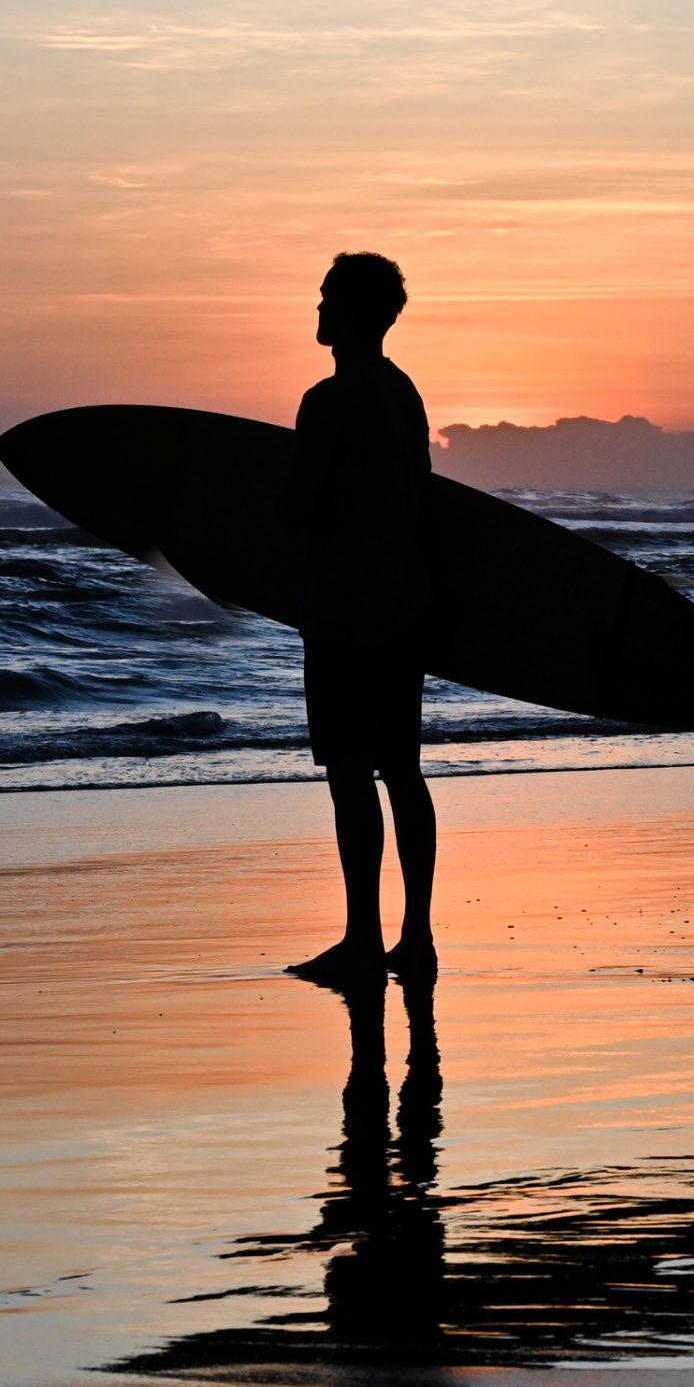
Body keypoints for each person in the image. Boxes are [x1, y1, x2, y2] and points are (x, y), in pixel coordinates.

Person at [285, 252, 437, 984]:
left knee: (350, 772)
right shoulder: (404, 395)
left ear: (352, 311)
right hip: (402, 605)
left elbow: (306, 510)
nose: (317, 310)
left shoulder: (327, 400)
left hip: (344, 607)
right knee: (402, 771)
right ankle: (416, 939)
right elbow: (421, 502)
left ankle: (361, 941)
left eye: (326, 299)